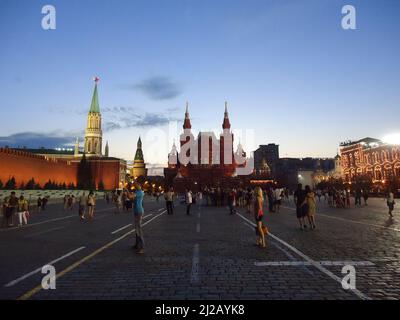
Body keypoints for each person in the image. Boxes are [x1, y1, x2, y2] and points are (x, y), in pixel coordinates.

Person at [133, 184, 145, 254]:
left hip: (139, 212)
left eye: (137, 185)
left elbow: (130, 196)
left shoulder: (139, 192)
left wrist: (127, 191)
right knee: (136, 229)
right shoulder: (138, 192)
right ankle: (137, 245)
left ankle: (142, 247)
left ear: (139, 186)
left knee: (139, 229)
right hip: (137, 211)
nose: (135, 186)